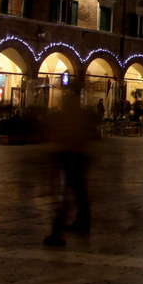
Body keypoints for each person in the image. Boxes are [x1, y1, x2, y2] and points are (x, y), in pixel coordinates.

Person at [43, 94, 93, 247]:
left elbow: (65, 134)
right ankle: (82, 220)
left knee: (65, 193)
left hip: (68, 154)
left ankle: (59, 232)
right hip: (76, 154)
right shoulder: (79, 115)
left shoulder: (70, 115)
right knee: (78, 191)